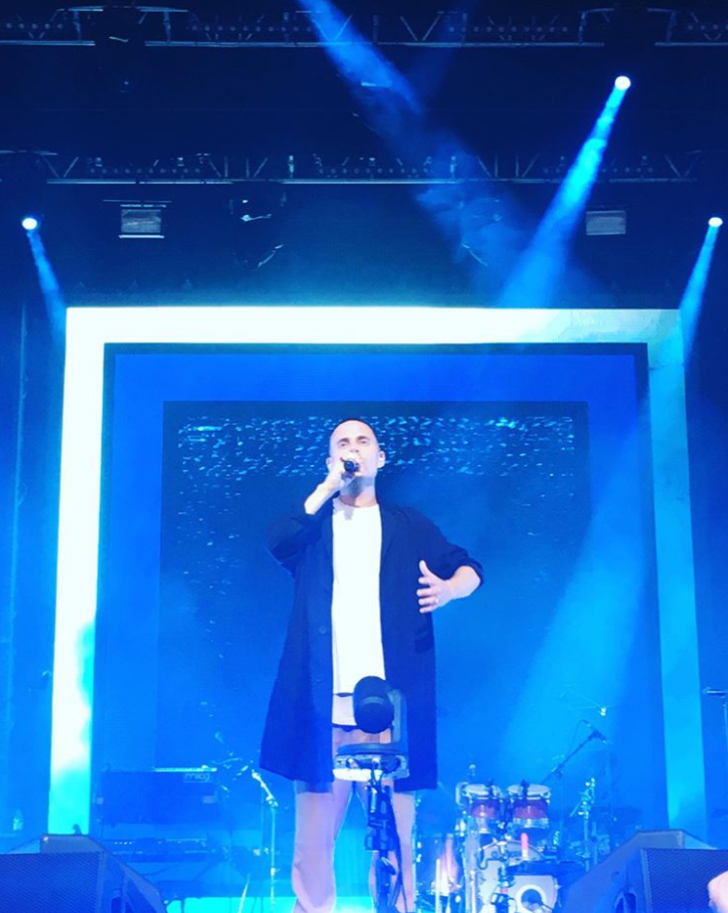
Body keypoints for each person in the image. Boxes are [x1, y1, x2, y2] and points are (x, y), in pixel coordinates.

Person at [260, 418, 482, 913]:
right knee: (313, 847)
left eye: (363, 441)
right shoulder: (314, 528)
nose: (353, 448)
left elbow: (469, 567)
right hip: (322, 711)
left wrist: (450, 589)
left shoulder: (408, 525)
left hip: (389, 714)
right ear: (330, 459)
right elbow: (277, 540)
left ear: (380, 458)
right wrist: (326, 488)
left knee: (396, 843)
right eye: (343, 443)